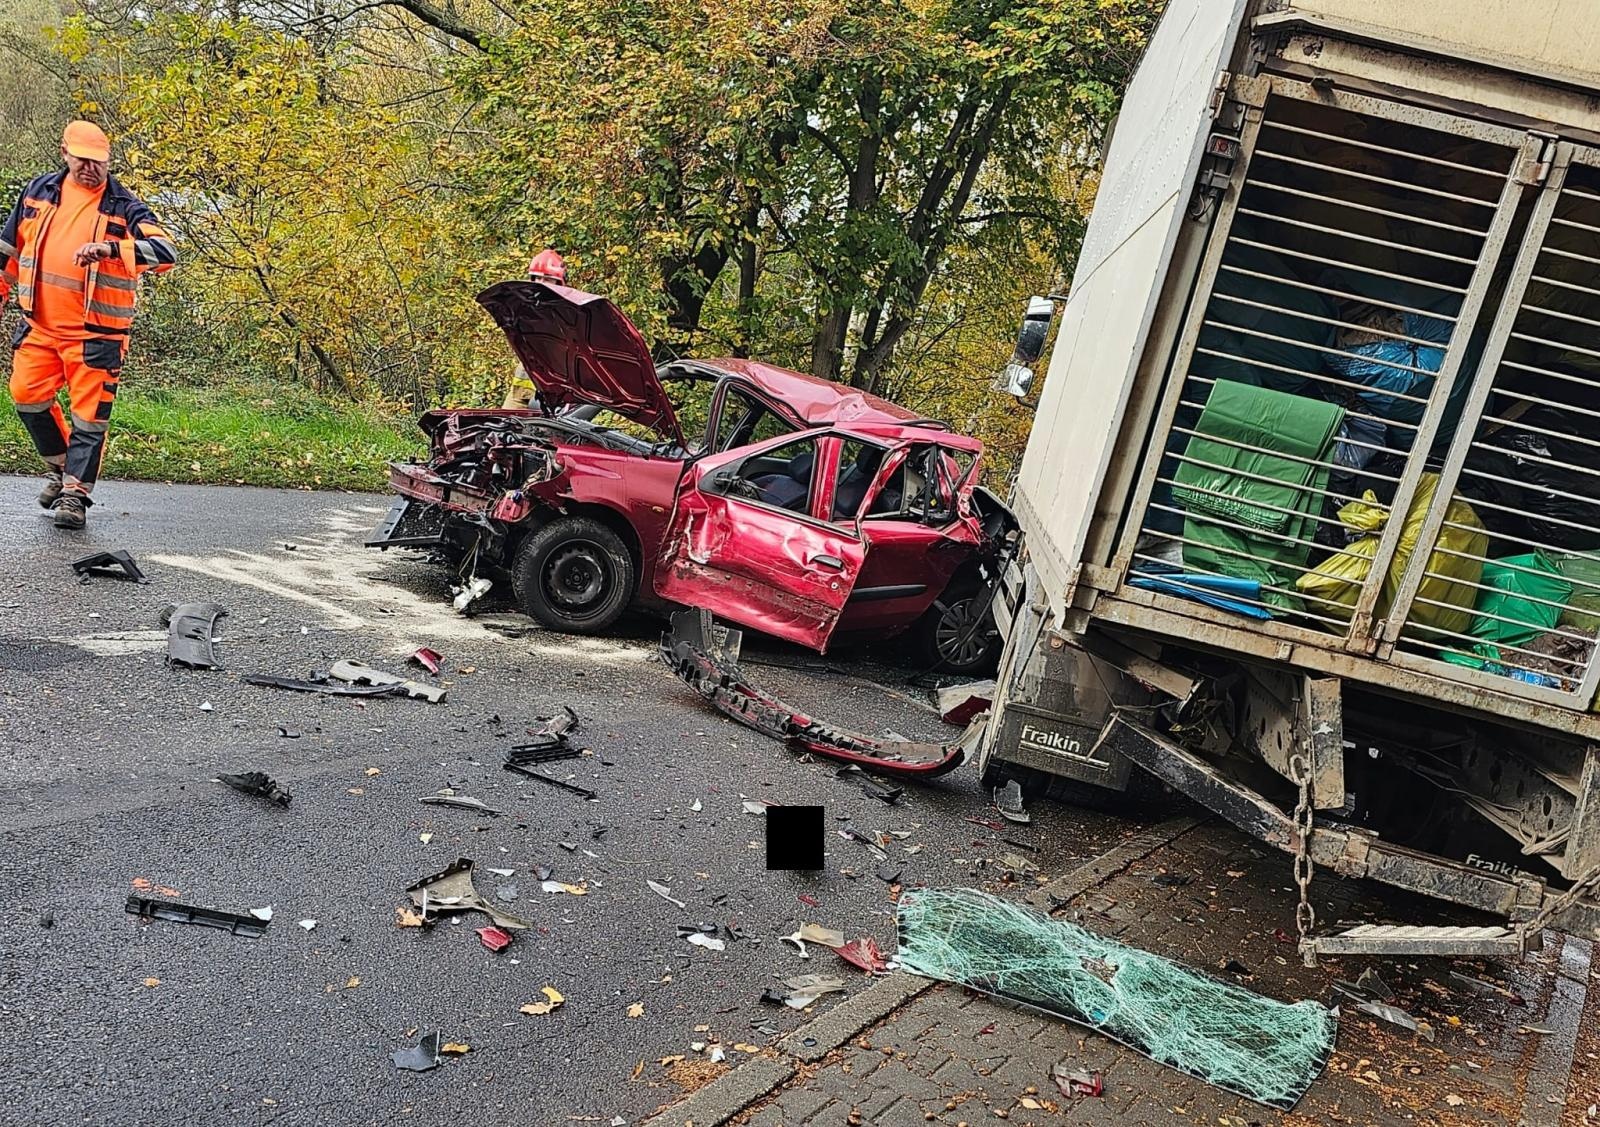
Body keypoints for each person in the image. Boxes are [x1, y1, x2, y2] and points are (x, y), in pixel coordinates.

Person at [1, 120, 177, 529]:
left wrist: (112, 248)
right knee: (26, 396)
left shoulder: (122, 204)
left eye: (99, 162)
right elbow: (8, 252)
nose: (90, 169)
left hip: (96, 333)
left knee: (88, 418)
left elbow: (166, 251)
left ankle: (75, 496)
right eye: (83, 160)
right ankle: (62, 471)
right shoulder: (38, 192)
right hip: (40, 327)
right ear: (65, 153)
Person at [503, 248, 567, 410]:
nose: (540, 283)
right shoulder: (526, 308)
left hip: (548, 397)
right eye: (537, 278)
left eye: (546, 279)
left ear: (558, 281)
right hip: (519, 393)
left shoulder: (568, 312)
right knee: (499, 430)